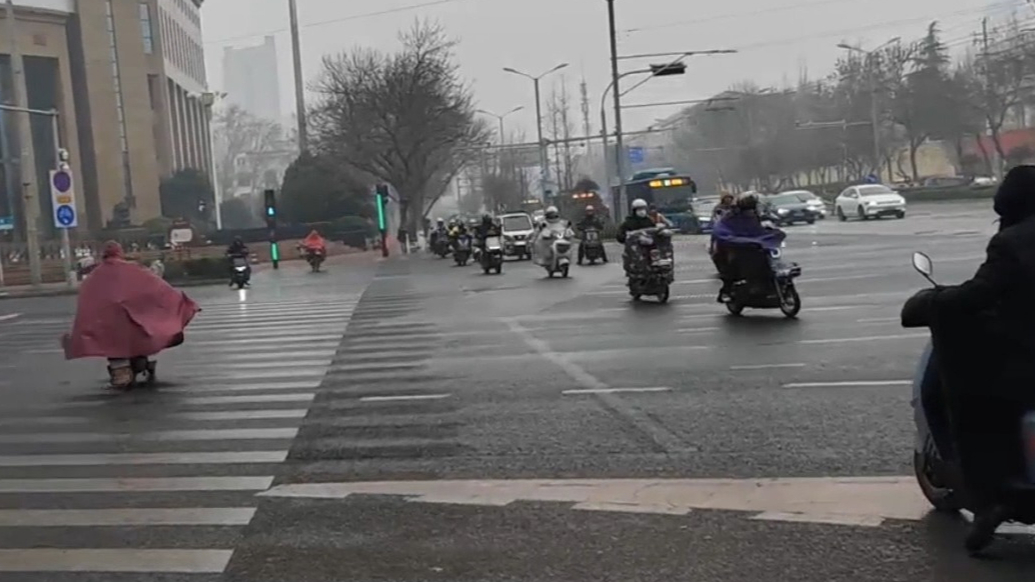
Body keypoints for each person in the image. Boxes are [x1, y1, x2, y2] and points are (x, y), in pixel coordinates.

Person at [904, 165, 1035, 553]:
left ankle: (992, 495)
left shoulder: (1013, 243)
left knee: (973, 401)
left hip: (1024, 363)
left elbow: (979, 294)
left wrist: (932, 302)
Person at [63, 241, 199, 389]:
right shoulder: (133, 269)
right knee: (139, 338)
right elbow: (154, 285)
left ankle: (120, 372)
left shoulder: (93, 277)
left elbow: (87, 302)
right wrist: (177, 300)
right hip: (131, 320)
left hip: (108, 324)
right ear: (120, 252)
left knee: (115, 350)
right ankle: (139, 365)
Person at [711, 194, 787, 300]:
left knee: (768, 258)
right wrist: (733, 239)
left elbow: (766, 224)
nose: (750, 211)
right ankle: (727, 290)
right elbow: (721, 230)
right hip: (737, 245)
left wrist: (772, 230)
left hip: (756, 243)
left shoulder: (756, 215)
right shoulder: (729, 217)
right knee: (733, 265)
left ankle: (768, 283)